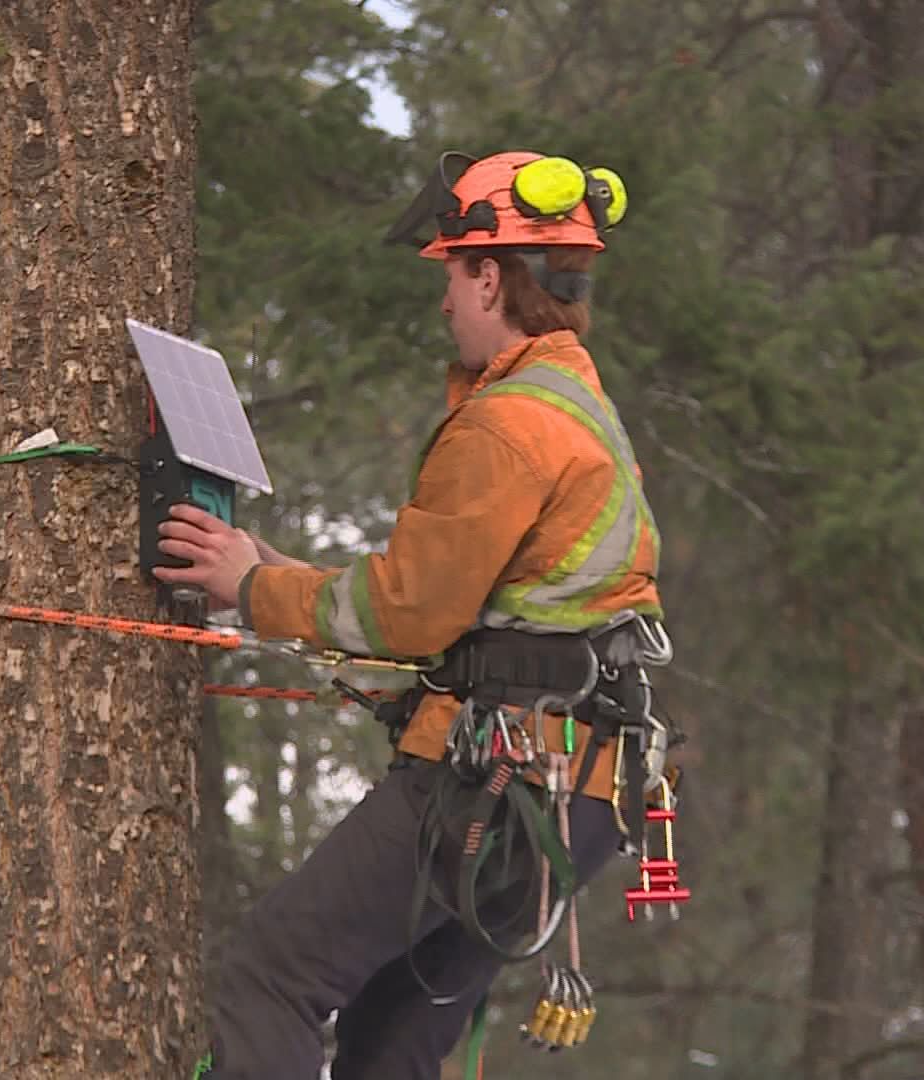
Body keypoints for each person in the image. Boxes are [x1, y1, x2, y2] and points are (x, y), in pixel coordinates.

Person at [156, 149, 668, 1080]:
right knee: (394, 1035)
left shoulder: (509, 423)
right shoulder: (580, 409)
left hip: (497, 783)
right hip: (579, 797)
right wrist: (275, 571)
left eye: (451, 276)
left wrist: (253, 590)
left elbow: (410, 616)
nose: (443, 302)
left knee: (269, 976)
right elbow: (482, 611)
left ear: (489, 275)